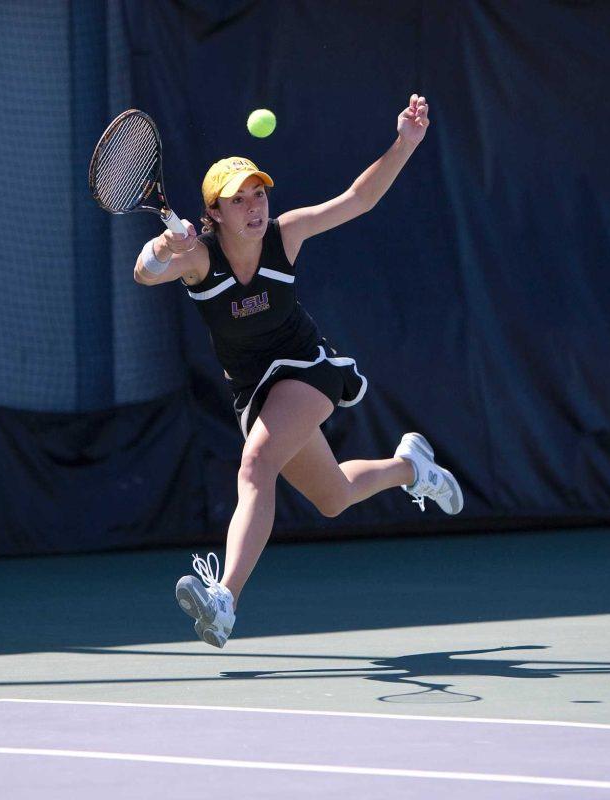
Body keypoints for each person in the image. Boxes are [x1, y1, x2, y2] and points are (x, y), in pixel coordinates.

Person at [133, 94, 462, 648]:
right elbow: (145, 274)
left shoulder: (285, 235)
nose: (255, 206)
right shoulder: (198, 257)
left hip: (308, 369)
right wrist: (161, 247)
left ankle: (224, 601)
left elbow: (359, 199)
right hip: (254, 390)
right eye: (239, 200)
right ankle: (411, 468)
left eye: (259, 193)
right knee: (333, 498)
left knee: (256, 464)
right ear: (214, 213)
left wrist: (405, 142)